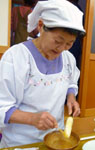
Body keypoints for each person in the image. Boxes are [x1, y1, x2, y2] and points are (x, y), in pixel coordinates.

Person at [0, 0, 85, 147]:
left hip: (56, 139)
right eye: (58, 41)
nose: (61, 49)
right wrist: (32, 119)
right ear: (41, 26)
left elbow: (71, 81)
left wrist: (71, 97)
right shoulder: (15, 58)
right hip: (21, 142)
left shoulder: (68, 58)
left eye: (69, 43)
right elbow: (2, 106)